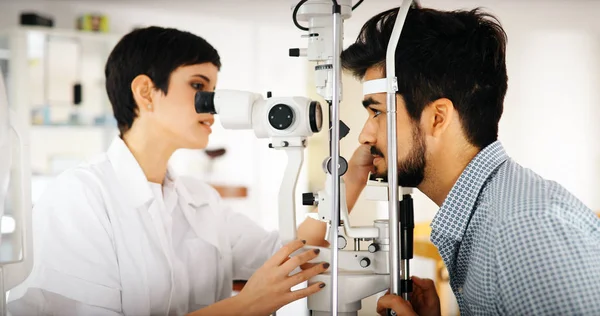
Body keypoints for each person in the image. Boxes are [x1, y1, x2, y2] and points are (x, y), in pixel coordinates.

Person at [6, 26, 374, 316]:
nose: (212, 105)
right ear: (145, 92)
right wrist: (245, 306)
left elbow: (291, 256)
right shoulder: (79, 197)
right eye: (198, 87)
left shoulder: (200, 200)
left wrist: (353, 177)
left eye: (213, 90)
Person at [340, 5, 600, 316]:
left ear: (438, 117)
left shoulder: (522, 231)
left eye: (377, 112)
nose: (364, 136)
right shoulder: (488, 217)